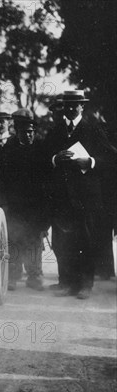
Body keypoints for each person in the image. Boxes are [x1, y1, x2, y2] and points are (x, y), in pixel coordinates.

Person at [44, 90, 117, 299]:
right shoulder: (56, 131)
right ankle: (66, 282)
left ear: (82, 107)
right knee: (62, 240)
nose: (69, 108)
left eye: (74, 104)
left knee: (85, 240)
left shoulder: (93, 129)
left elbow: (111, 158)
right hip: (62, 195)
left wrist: (91, 162)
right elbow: (43, 158)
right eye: (67, 104)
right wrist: (55, 159)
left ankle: (85, 284)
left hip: (86, 196)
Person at [3, 109, 50, 291]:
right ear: (18, 131)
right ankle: (13, 275)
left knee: (34, 238)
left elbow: (47, 177)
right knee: (14, 238)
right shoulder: (9, 148)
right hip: (15, 203)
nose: (29, 135)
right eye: (25, 132)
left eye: (31, 131)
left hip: (36, 204)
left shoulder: (41, 147)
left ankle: (34, 275)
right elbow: (4, 176)